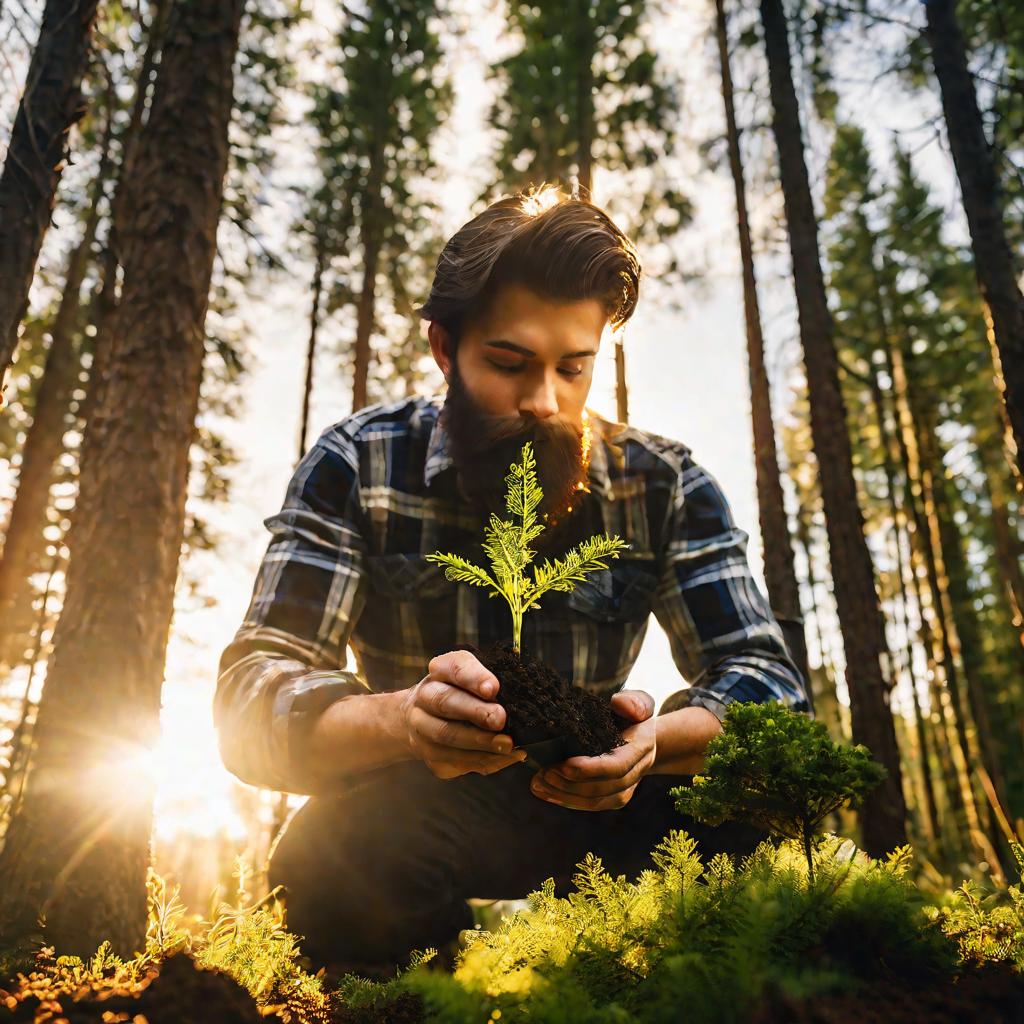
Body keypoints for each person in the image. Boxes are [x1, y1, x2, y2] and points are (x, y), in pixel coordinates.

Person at [214, 185, 811, 974]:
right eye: (508, 362)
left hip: (613, 802)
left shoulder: (663, 485)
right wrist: (403, 720)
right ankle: (419, 994)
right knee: (330, 856)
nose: (543, 401)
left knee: (740, 828)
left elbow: (768, 684)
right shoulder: (359, 465)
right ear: (443, 346)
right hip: (418, 807)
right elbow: (253, 692)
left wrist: (649, 741)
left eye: (574, 369)